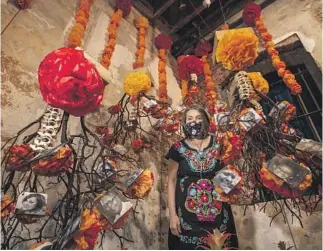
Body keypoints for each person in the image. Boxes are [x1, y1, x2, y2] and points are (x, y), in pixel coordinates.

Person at [166, 105, 238, 250]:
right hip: (187, 217)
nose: (194, 122)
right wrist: (172, 215)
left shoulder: (219, 144)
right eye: (190, 119)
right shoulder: (177, 148)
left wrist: (238, 190)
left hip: (218, 215)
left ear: (206, 121)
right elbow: (171, 182)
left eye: (199, 118)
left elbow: (228, 175)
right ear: (184, 123)